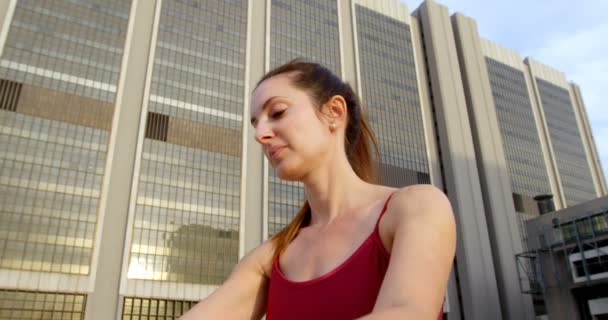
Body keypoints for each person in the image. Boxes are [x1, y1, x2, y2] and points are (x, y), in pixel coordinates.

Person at [180, 59, 456, 320]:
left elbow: (407, 312)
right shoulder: (269, 257)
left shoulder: (415, 206)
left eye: (277, 113)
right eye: (256, 123)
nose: (259, 134)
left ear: (334, 112)